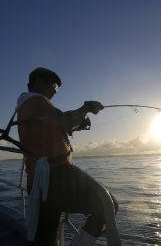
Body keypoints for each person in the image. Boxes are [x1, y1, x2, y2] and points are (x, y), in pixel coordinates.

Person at [16, 68, 119, 246]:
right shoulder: (34, 101)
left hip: (43, 183)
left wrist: (78, 124)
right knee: (107, 205)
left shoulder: (31, 105)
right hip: (55, 179)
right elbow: (63, 121)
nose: (56, 91)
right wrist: (86, 108)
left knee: (44, 239)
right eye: (55, 85)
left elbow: (55, 126)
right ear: (39, 81)